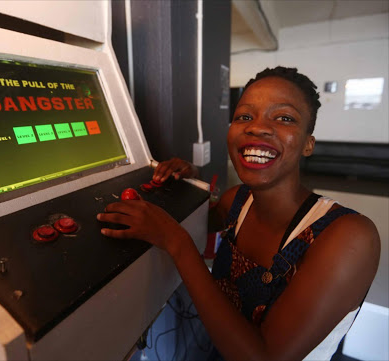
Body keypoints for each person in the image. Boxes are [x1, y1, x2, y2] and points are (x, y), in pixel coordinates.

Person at [97, 66, 380, 360]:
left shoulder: (348, 236)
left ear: (308, 144)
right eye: (244, 116)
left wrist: (177, 243)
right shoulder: (237, 201)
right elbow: (198, 222)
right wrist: (186, 181)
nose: (257, 127)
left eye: (284, 118)